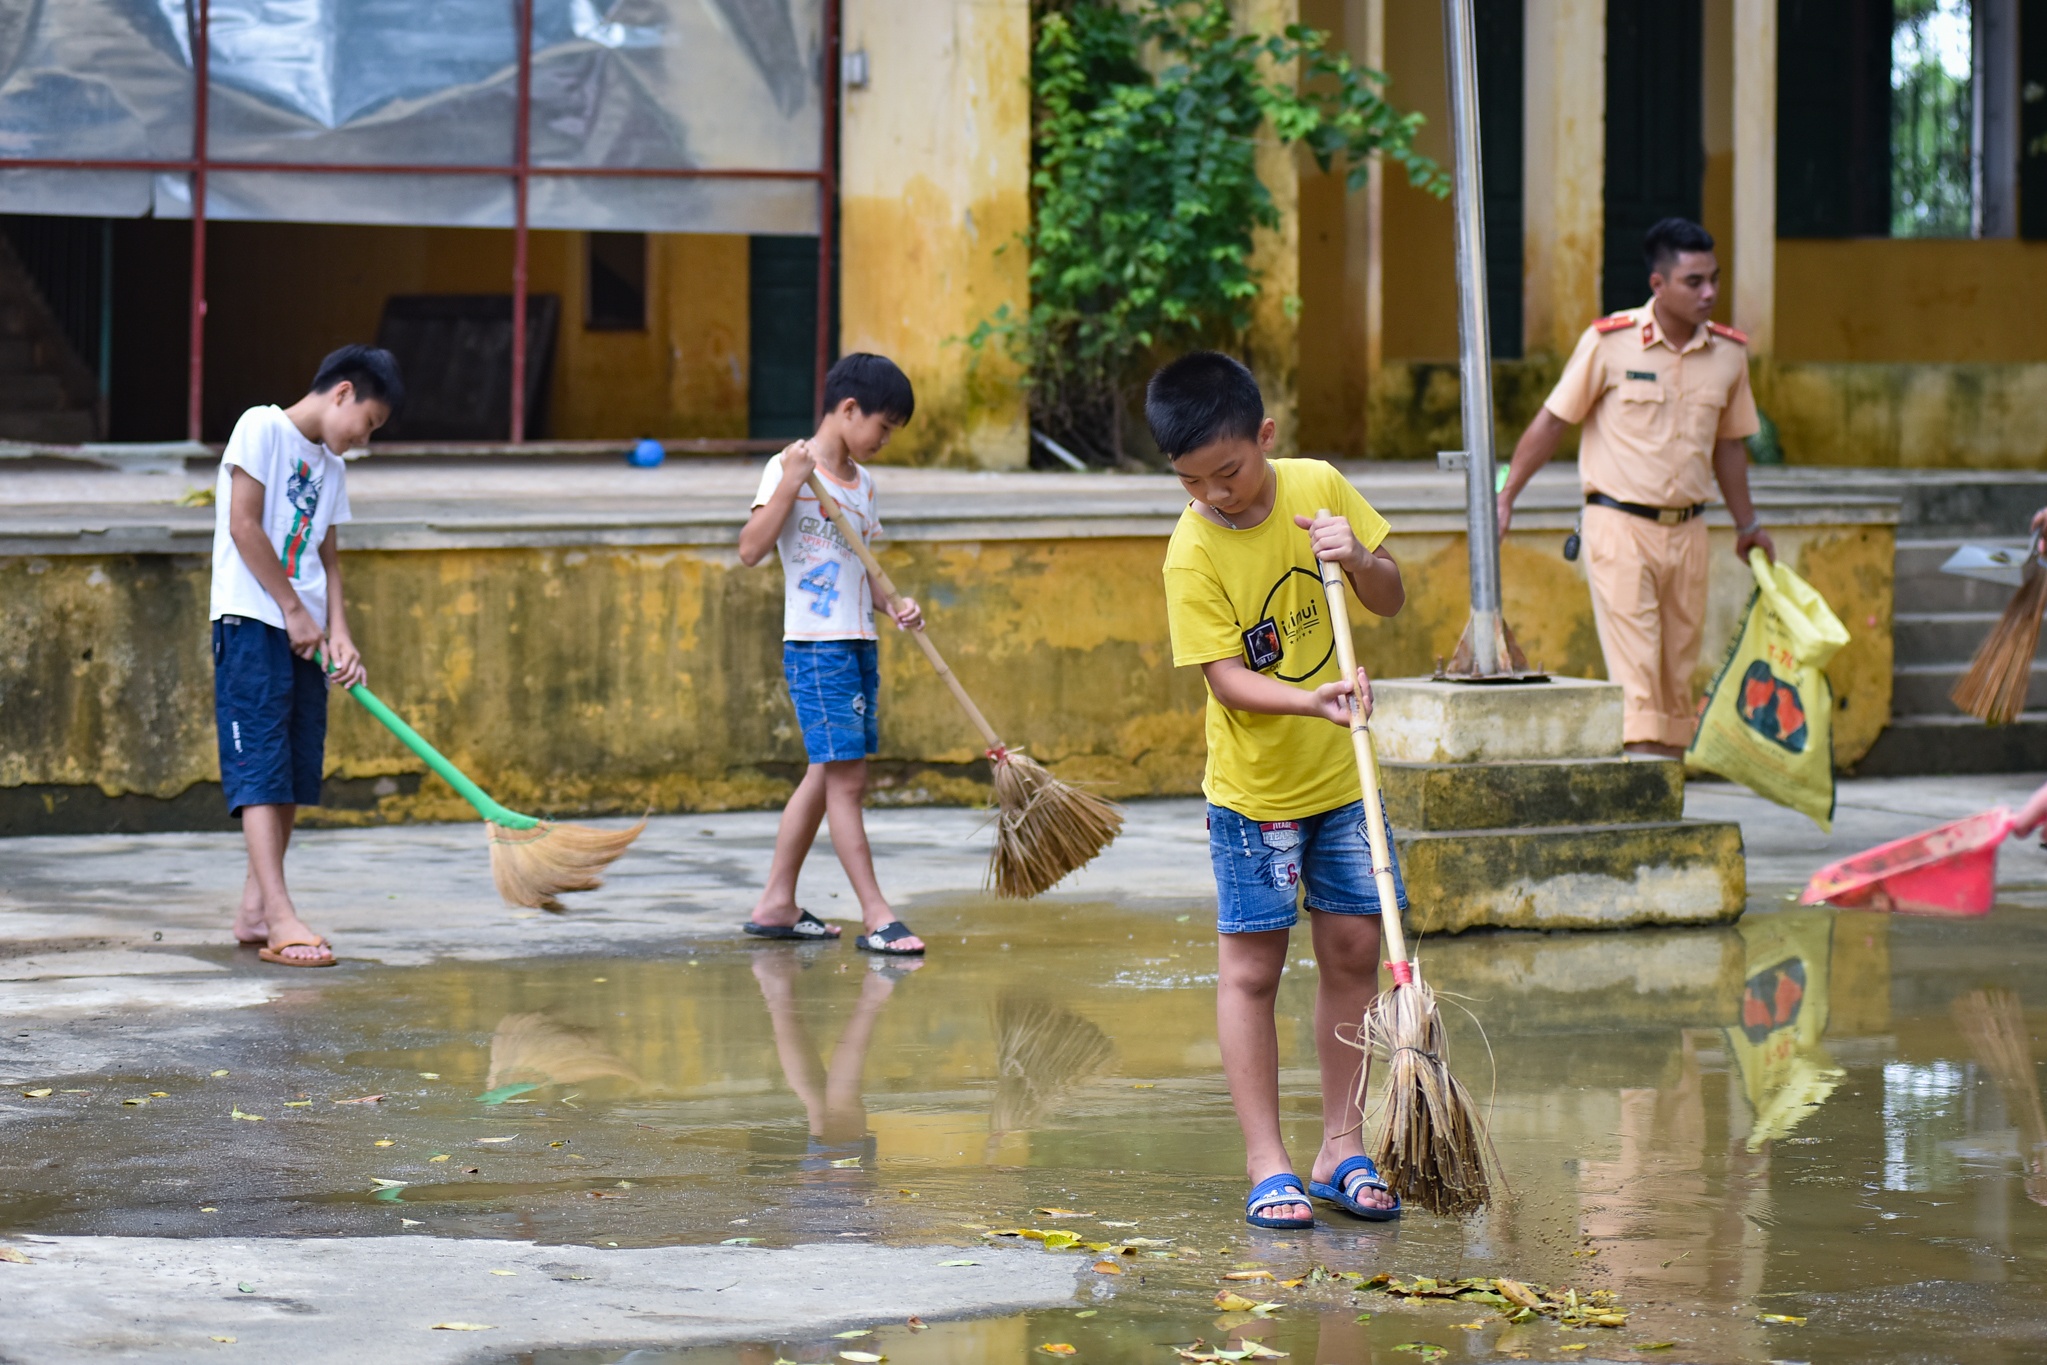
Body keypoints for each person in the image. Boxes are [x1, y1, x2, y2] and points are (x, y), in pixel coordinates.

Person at [1152, 350, 1406, 1228]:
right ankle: (1268, 1162)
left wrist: (1355, 556)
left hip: (1345, 776)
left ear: (1264, 437)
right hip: (1257, 794)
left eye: (1227, 471)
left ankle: (1342, 1144)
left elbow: (1390, 595)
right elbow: (1225, 679)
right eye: (1192, 481)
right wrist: (1308, 697)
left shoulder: (1318, 486)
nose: (1214, 494)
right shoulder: (1190, 551)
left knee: (1351, 953)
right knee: (1253, 969)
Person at [1497, 217, 1776, 758]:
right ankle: (1651, 809)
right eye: (1694, 282)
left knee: (1676, 681)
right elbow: (1552, 422)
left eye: (1714, 279)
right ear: (1658, 284)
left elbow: (1730, 447)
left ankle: (1663, 803)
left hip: (1690, 531)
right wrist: (1506, 494)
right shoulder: (1610, 344)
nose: (1710, 292)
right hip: (1618, 527)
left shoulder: (1728, 355)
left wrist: (1749, 526)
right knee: (1639, 677)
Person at [211, 345, 401, 967]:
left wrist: (338, 631)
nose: (364, 439)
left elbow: (328, 557)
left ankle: (254, 909)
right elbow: (245, 526)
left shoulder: (333, 469)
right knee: (261, 768)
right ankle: (280, 917)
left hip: (307, 636)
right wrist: (293, 610)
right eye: (368, 423)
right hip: (253, 622)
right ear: (342, 392)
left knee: (292, 767)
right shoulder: (260, 426)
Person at [739, 353, 927, 956]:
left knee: (825, 774)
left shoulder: (864, 486)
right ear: (849, 410)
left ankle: (776, 904)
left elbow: (862, 571)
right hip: (816, 649)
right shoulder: (788, 466)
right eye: (883, 427)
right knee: (847, 778)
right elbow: (750, 549)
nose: (884, 440)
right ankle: (878, 916)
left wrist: (895, 605)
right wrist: (792, 483)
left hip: (857, 642)